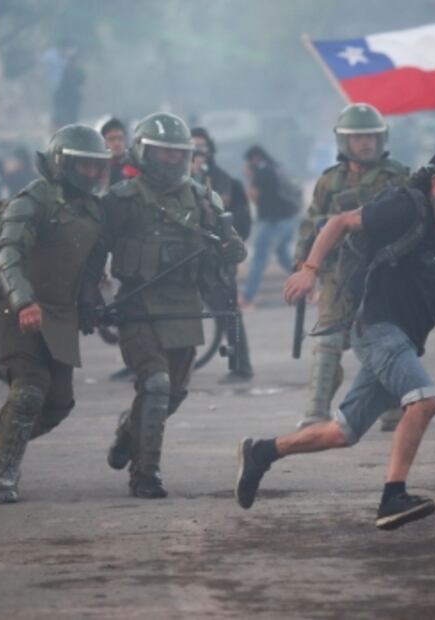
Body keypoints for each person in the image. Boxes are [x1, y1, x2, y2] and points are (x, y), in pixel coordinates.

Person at [235, 149, 435, 530]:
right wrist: (309, 271)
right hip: (376, 326)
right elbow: (338, 222)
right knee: (424, 401)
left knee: (343, 432)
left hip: (408, 338)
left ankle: (262, 452)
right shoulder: (404, 208)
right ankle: (393, 496)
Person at [101, 113, 246, 498]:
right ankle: (145, 475)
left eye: (175, 153)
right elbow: (92, 252)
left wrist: (231, 247)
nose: (169, 159)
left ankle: (128, 433)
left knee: (174, 393)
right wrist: (90, 303)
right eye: (161, 152)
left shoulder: (201, 197)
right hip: (137, 304)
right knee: (156, 382)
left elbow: (231, 247)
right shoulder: (121, 199)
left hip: (183, 304)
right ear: (144, 152)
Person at [0, 124, 111, 503]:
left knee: (58, 404)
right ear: (60, 163)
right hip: (16, 310)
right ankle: (2, 475)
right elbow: (7, 254)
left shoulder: (94, 209)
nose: (89, 173)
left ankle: (3, 433)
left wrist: (91, 303)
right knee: (29, 390)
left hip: (60, 315)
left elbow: (92, 264)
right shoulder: (33, 199)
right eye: (82, 165)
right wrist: (23, 301)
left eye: (95, 166)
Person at [291, 103, 409, 432]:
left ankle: (392, 406)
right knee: (329, 339)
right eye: (358, 137)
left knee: (387, 340)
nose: (366, 143)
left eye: (371, 136)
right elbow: (310, 224)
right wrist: (304, 267)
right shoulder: (330, 181)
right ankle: (316, 412)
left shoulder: (398, 176)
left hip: (385, 273)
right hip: (338, 274)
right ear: (345, 142)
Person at [192, 126, 254, 382]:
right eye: (192, 149)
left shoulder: (223, 181)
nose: (198, 154)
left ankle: (241, 366)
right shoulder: (181, 183)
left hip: (219, 261)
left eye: (202, 148)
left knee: (229, 314)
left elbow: (239, 221)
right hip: (191, 260)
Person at [241, 145, 300, 306]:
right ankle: (304, 284)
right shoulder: (275, 168)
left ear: (254, 159)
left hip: (273, 223)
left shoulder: (261, 172)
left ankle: (247, 296)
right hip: (289, 220)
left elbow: (253, 196)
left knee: (259, 258)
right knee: (284, 256)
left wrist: (249, 178)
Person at [101, 117, 132, 185]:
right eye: (111, 139)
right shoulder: (97, 168)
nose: (117, 143)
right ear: (103, 141)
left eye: (120, 138)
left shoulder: (133, 167)